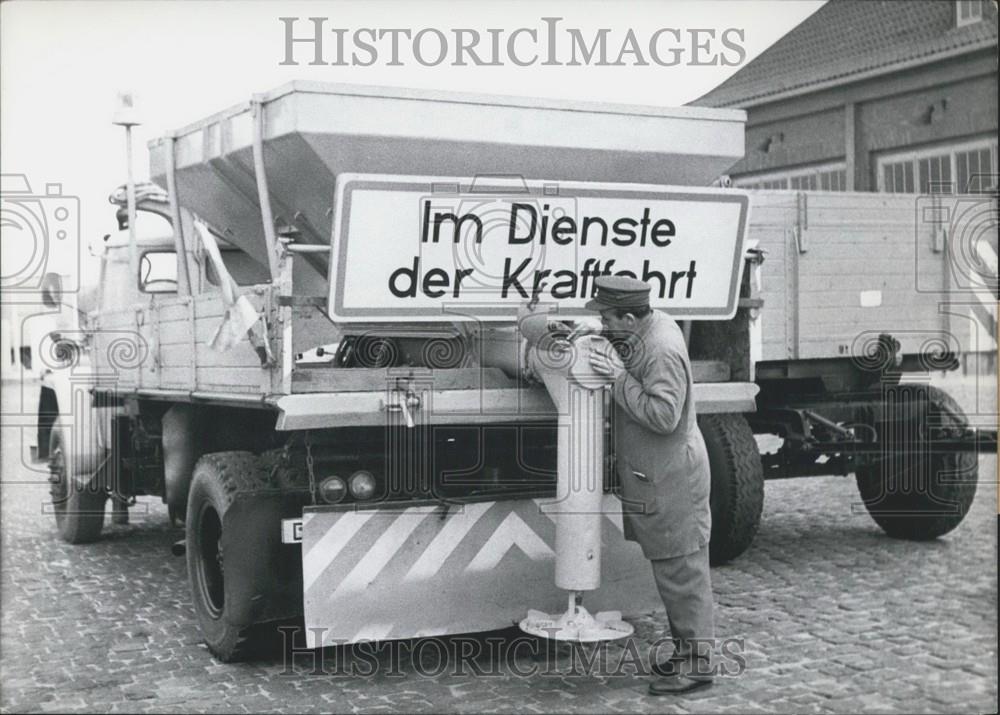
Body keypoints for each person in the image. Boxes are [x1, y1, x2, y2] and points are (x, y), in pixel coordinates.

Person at [581, 274, 716, 695]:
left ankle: (697, 666)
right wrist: (600, 340)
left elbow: (663, 416)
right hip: (665, 475)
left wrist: (617, 377)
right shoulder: (649, 327)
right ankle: (688, 651)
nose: (603, 324)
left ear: (628, 317)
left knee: (682, 573)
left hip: (671, 478)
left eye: (606, 318)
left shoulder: (659, 350)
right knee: (675, 569)